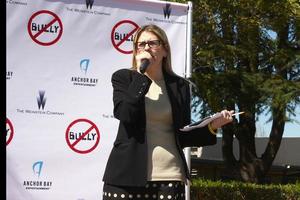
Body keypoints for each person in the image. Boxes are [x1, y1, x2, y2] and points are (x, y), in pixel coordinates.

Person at [102, 24, 234, 200]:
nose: (146, 48)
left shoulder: (180, 86)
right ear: (135, 52)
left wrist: (212, 125)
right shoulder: (124, 78)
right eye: (140, 45)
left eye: (152, 43)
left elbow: (183, 135)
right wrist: (141, 74)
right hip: (126, 176)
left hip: (169, 176)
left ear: (165, 50)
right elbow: (125, 113)